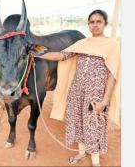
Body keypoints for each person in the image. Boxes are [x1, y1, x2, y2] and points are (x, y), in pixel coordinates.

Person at [36, 9, 120, 166]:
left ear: (105, 24)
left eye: (98, 21)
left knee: (94, 125)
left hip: (96, 95)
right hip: (76, 92)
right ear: (88, 24)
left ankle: (95, 161)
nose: (95, 25)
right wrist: (37, 53)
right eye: (92, 22)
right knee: (78, 122)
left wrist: (105, 100)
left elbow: (113, 75)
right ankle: (81, 153)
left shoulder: (112, 45)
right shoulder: (82, 44)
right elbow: (61, 56)